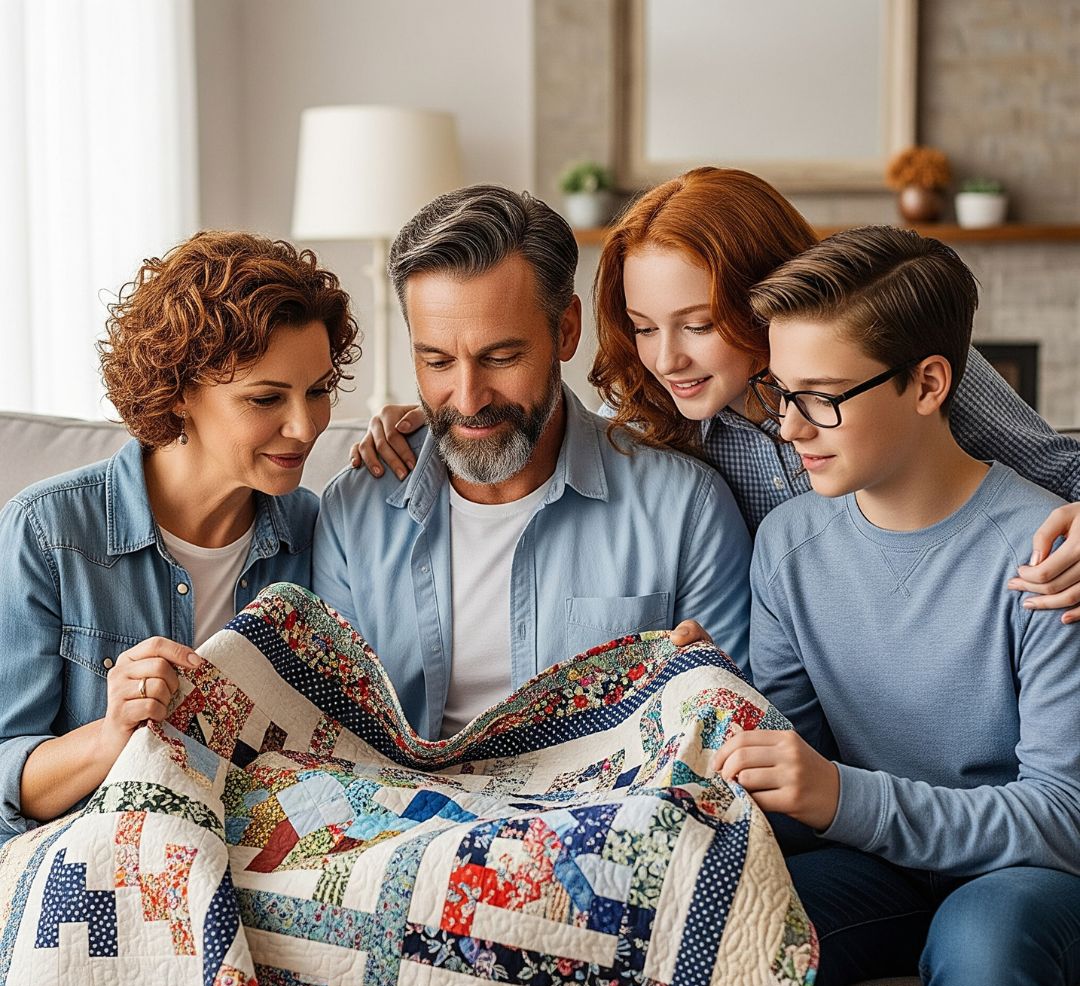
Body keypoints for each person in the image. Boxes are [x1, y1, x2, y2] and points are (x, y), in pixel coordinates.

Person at [356, 167, 1080, 620]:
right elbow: (551, 436)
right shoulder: (649, 409)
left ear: (763, 295)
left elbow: (1057, 470)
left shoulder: (894, 365)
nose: (668, 359)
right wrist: (436, 414)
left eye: (698, 324)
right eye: (642, 327)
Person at [715, 226, 1080, 986]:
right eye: (781, 391)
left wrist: (842, 796)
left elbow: (1064, 819)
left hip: (1025, 875)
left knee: (984, 938)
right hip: (878, 867)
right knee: (730, 916)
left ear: (928, 382)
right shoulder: (789, 544)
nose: (791, 426)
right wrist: (702, 697)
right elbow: (795, 769)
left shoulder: (1047, 551)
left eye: (825, 396)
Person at [313, 184, 752, 741]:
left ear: (565, 331)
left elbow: (727, 737)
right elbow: (328, 735)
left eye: (501, 358)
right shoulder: (354, 511)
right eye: (438, 360)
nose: (469, 399)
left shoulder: (684, 507)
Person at [0, 230, 359, 839]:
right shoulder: (49, 531)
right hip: (91, 856)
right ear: (181, 391)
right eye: (266, 397)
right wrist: (113, 732)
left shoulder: (317, 533)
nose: (305, 427)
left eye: (319, 391)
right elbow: (9, 775)